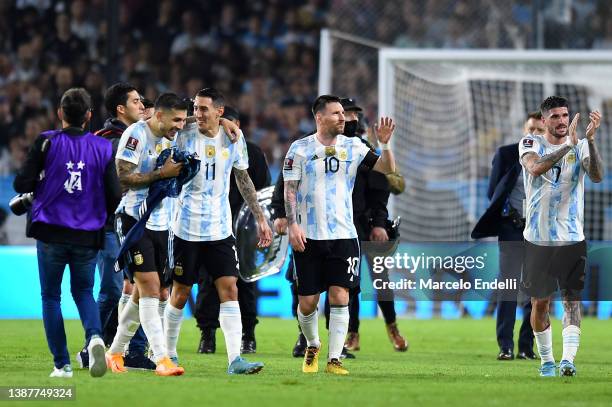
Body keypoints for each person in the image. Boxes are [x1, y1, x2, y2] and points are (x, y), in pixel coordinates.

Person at [284, 94, 396, 375]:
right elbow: (289, 190)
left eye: (342, 114)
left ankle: (335, 359)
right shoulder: (299, 149)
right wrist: (293, 225)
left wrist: (385, 144)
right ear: (319, 117)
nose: (342, 118)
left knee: (341, 294)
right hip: (308, 235)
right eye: (336, 113)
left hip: (345, 235)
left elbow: (388, 169)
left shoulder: (354, 146)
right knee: (307, 301)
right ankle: (312, 344)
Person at [163, 88, 272, 374]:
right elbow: (163, 123)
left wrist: (260, 217)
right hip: (186, 227)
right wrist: (218, 122)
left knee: (230, 289)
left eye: (203, 109)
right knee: (181, 291)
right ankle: (168, 353)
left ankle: (235, 359)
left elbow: (243, 179)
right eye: (195, 108)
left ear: (219, 111)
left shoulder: (235, 139)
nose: (197, 113)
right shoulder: (184, 134)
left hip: (220, 229)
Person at [13, 87, 121, 378]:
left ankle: (62, 365)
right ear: (89, 116)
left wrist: (41, 184)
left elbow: (20, 182)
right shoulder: (103, 148)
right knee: (84, 291)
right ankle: (95, 337)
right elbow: (114, 195)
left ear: (60, 113)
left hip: (51, 232)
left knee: (51, 297)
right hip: (87, 234)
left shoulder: (46, 142)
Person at [75, 82, 158, 371]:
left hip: (138, 223)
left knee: (139, 286)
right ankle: (92, 346)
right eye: (137, 102)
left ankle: (129, 349)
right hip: (112, 224)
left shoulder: (139, 135)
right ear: (121, 108)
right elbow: (121, 180)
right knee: (115, 289)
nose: (143, 107)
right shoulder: (111, 140)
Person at [519, 96, 603, 377]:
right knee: (540, 302)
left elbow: (597, 176)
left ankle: (568, 360)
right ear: (543, 121)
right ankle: (547, 361)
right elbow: (535, 167)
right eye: (555, 116)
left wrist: (589, 141)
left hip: (571, 238)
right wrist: (567, 146)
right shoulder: (530, 143)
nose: (562, 121)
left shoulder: (580, 146)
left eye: (565, 115)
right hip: (538, 239)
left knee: (571, 300)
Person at [105, 92, 187, 377]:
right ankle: (162, 358)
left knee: (147, 292)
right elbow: (123, 177)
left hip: (162, 223)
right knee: (151, 287)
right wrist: (161, 174)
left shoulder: (170, 137)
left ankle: (115, 351)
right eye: (176, 120)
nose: (180, 125)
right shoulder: (136, 135)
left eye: (183, 120)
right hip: (133, 220)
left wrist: (225, 121)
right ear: (160, 115)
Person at [195, 106, 271, 355]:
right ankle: (207, 335)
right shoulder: (205, 145)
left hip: (244, 230)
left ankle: (248, 335)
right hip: (211, 225)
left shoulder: (254, 154)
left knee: (245, 281)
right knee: (207, 282)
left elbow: (262, 193)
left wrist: (260, 222)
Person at [472, 112, 545, 361]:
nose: (534, 134)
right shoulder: (506, 154)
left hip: (540, 230)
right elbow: (493, 191)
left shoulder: (551, 157)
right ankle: (506, 346)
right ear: (524, 130)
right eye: (531, 129)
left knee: (537, 290)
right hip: (512, 227)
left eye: (539, 129)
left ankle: (526, 346)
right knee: (508, 287)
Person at [337, 97, 408, 354]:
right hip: (339, 226)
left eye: (353, 114)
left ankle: (392, 327)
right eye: (346, 113)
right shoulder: (322, 148)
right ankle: (351, 333)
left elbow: (381, 193)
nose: (349, 119)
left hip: (366, 225)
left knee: (381, 279)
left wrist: (378, 224)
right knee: (348, 281)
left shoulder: (365, 152)